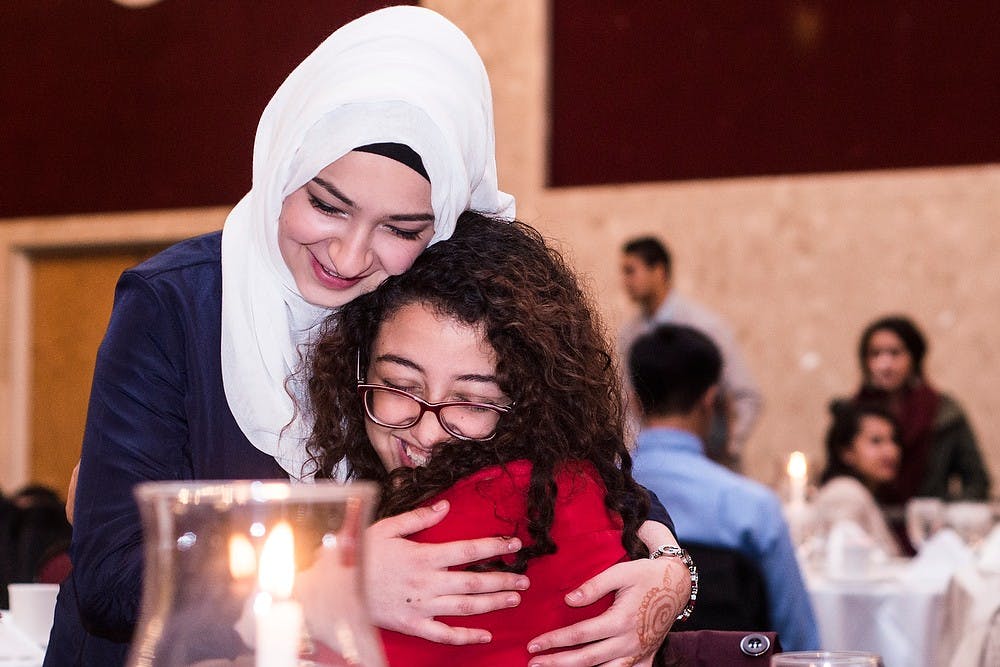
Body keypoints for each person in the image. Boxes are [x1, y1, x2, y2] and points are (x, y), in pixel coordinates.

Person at [48, 7, 688, 666]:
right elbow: (110, 573)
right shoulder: (176, 303)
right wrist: (335, 573)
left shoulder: (410, 299)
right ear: (282, 163)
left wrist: (672, 570)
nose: (351, 257)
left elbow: (584, 461)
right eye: (326, 204)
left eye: (402, 227)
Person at [305, 212, 694, 666]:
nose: (428, 429)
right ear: (357, 371)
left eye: (472, 402)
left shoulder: (493, 520)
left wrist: (317, 595)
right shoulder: (576, 489)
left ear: (530, 400)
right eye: (399, 386)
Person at [628, 323, 820, 652]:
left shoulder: (599, 490)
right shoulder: (753, 507)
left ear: (633, 401)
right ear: (710, 400)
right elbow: (799, 642)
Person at [619, 236, 762, 469]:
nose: (625, 281)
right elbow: (628, 404)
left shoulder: (703, 326)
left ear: (659, 271)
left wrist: (726, 450)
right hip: (651, 469)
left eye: (630, 271)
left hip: (706, 462)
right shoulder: (629, 335)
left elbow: (747, 396)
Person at [850, 315, 990, 504]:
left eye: (895, 353)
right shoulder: (852, 413)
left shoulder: (944, 411)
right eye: (875, 354)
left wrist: (945, 512)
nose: (885, 364)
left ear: (914, 358)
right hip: (869, 521)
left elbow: (976, 480)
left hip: (930, 523)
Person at [814, 401, 904, 557]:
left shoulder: (861, 491)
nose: (891, 451)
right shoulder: (845, 492)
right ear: (847, 452)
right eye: (876, 441)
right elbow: (845, 559)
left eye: (894, 440)